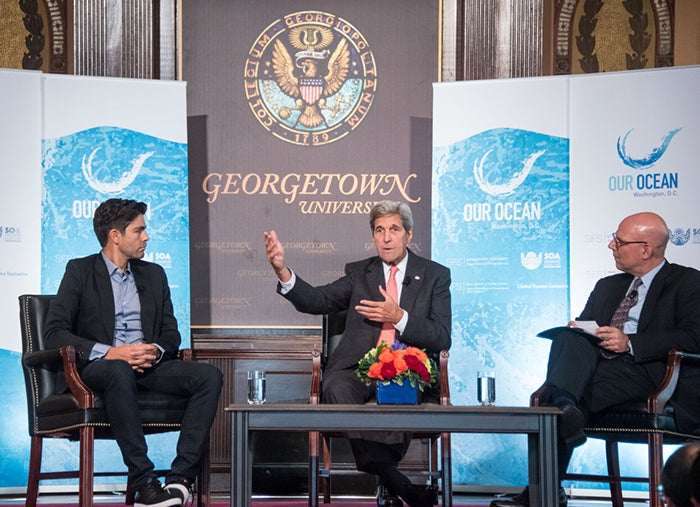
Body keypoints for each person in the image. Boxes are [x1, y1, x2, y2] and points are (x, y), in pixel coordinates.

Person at [491, 212, 700, 507]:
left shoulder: (688, 281)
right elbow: (587, 331)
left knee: (554, 401)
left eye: (619, 241)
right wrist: (580, 330)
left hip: (651, 371)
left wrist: (630, 342)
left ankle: (543, 491)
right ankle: (565, 408)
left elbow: (694, 337)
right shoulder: (607, 285)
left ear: (646, 249)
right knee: (569, 336)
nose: (611, 246)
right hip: (602, 369)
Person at [264, 200, 452, 507]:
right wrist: (282, 271)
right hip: (358, 368)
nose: (386, 238)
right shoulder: (359, 273)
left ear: (408, 234)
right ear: (373, 236)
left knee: (399, 390)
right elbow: (318, 299)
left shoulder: (435, 276)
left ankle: (391, 481)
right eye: (379, 230)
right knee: (336, 386)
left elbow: (442, 336)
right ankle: (396, 482)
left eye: (393, 230)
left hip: (407, 367)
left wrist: (399, 316)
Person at [44, 198, 223, 507]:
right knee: (118, 370)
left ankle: (180, 480)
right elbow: (54, 332)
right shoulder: (80, 271)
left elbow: (171, 333)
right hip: (102, 369)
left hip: (148, 366)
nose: (146, 237)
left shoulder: (154, 274)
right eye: (139, 230)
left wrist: (152, 349)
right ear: (116, 235)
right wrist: (113, 353)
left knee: (208, 376)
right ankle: (144, 482)